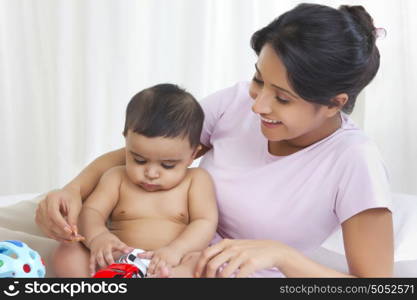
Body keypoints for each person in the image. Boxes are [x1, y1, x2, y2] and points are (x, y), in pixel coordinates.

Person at [37, 3, 394, 278]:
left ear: (334, 103)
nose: (258, 105)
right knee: (58, 249)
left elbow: (377, 286)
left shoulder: (353, 160)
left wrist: (283, 256)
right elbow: (151, 149)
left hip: (214, 271)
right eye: (258, 80)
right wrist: (71, 191)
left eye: (282, 98)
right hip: (151, 245)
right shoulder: (237, 102)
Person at [51, 83, 218, 277]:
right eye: (139, 160)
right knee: (68, 251)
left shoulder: (196, 181)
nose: (151, 173)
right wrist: (99, 237)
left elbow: (205, 222)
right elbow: (91, 211)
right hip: (116, 261)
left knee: (203, 263)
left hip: (169, 264)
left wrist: (177, 250)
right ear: (126, 142)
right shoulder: (116, 177)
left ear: (192, 155)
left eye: (168, 165)